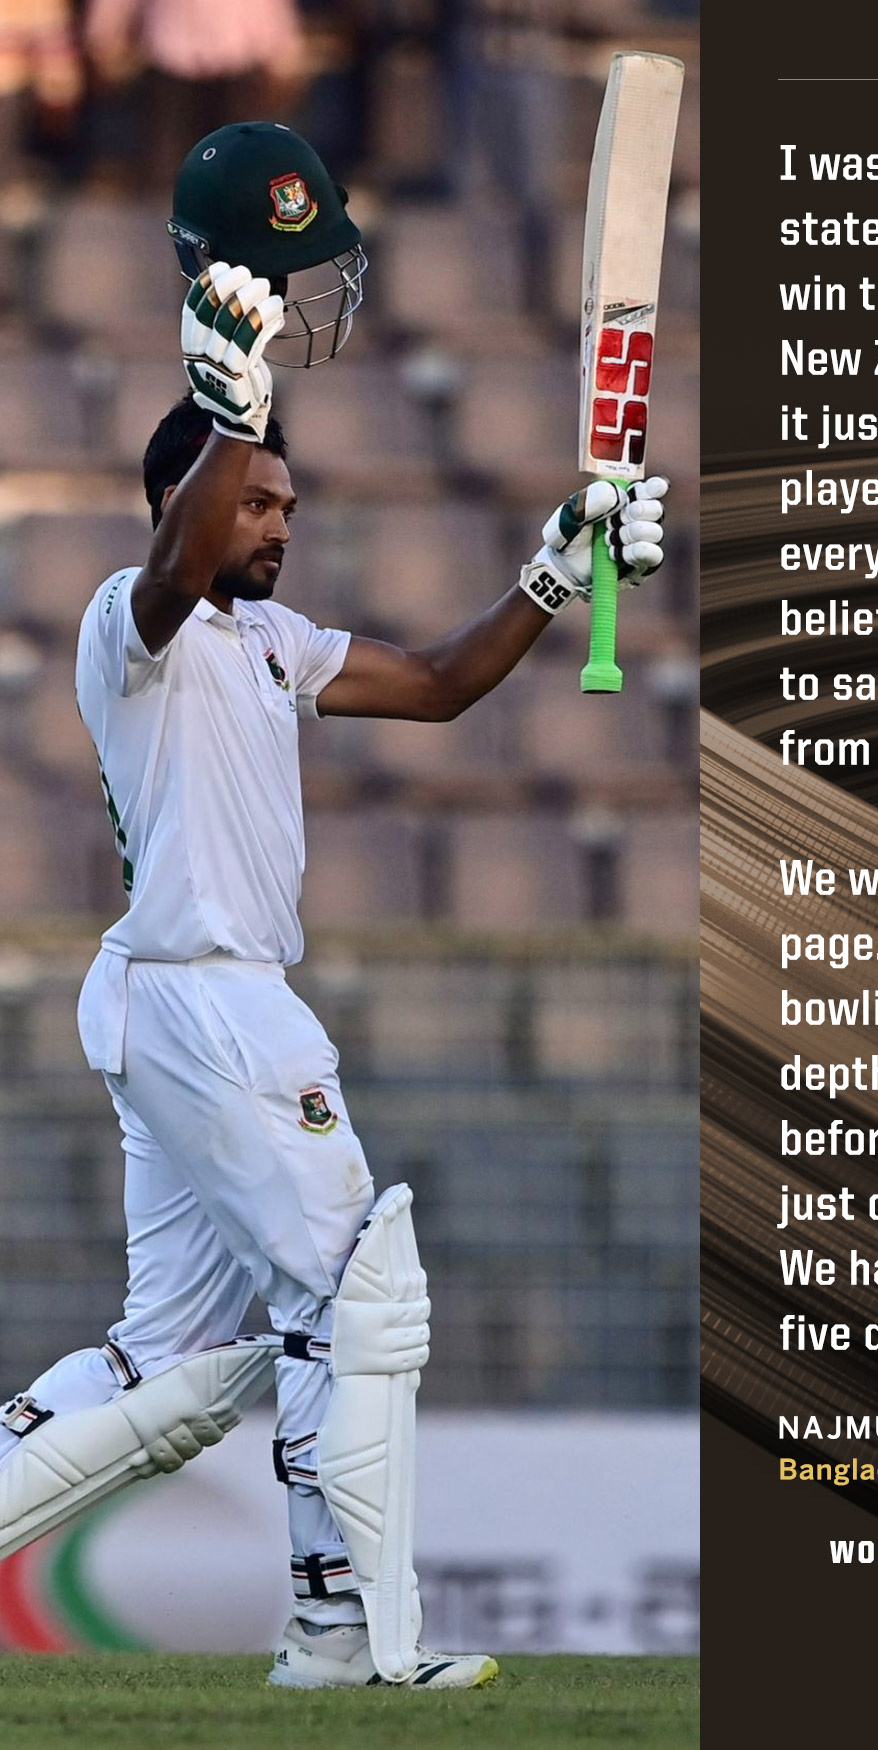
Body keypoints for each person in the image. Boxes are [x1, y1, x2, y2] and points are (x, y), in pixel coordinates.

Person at [0, 254, 668, 1688]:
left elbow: (435, 684)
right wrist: (228, 405)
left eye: (290, 506)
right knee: (353, 1292)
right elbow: (173, 570)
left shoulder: (273, 641)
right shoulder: (131, 622)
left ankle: (324, 1620)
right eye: (258, 501)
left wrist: (556, 567)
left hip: (183, 1005)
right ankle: (343, 1627)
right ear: (185, 497)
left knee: (167, 1366)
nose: (281, 524)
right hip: (211, 998)